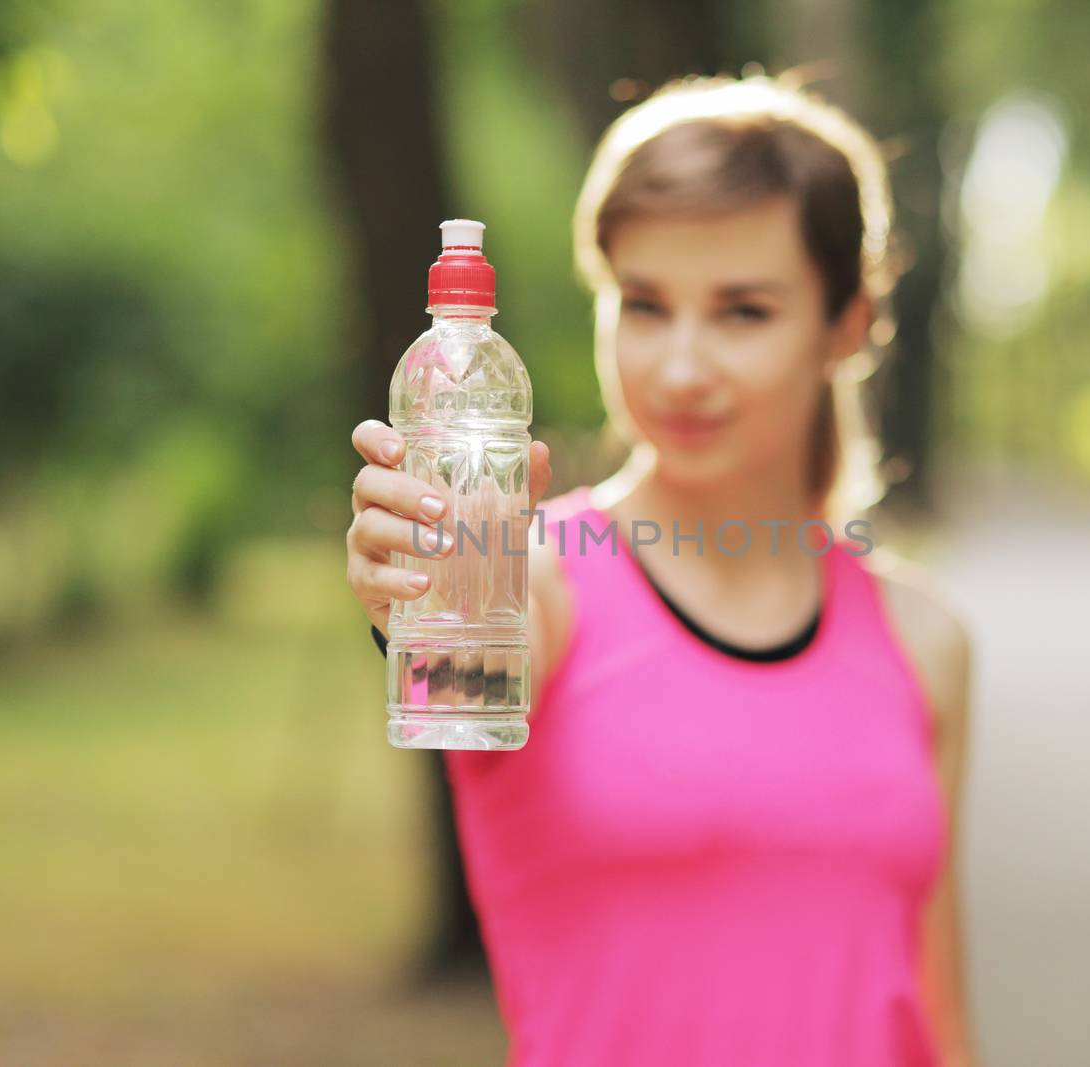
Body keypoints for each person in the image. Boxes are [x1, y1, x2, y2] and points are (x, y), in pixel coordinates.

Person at [347, 70, 977, 1067]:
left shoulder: (925, 640)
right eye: (644, 304)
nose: (681, 367)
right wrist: (405, 590)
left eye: (742, 311)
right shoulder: (533, 580)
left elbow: (936, 1012)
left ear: (847, 325)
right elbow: (445, 634)